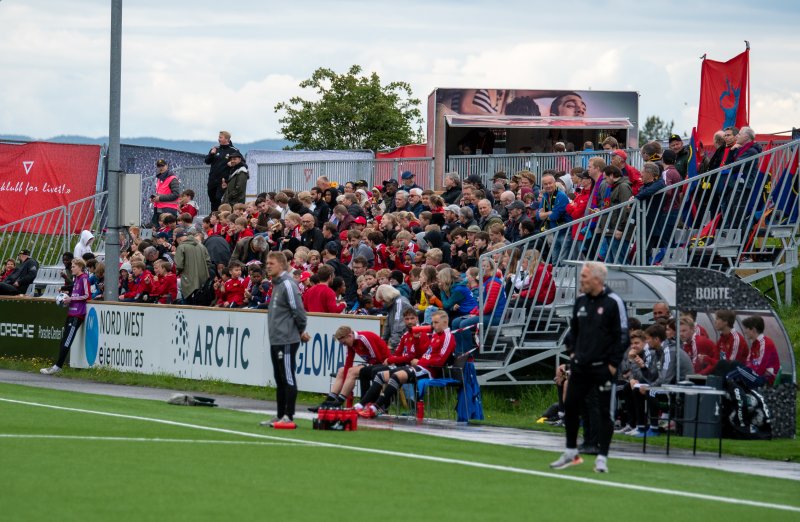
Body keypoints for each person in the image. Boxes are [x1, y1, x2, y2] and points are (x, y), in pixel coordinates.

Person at [550, 261, 628, 474]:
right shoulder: (581, 301)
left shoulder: (613, 302)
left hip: (603, 368)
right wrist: (574, 354)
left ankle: (602, 456)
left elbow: (622, 336)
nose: (581, 280)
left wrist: (612, 365)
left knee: (604, 412)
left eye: (584, 277)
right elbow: (572, 332)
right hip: (581, 367)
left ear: (597, 279)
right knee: (572, 407)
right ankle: (570, 450)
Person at [358, 310, 455, 418]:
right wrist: (417, 340)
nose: (433, 325)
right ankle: (360, 405)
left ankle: (375, 408)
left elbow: (440, 360)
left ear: (445, 322)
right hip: (419, 366)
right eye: (433, 323)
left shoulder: (448, 336)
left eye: (436, 323)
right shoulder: (435, 335)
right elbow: (424, 352)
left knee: (396, 376)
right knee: (380, 375)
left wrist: (420, 361)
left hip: (428, 370)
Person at [258, 252, 310, 429]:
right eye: (267, 263)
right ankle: (280, 414)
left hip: (286, 339)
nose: (268, 266)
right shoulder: (277, 285)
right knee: (279, 378)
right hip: (277, 339)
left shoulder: (288, 284)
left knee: (287, 376)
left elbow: (299, 312)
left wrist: (300, 330)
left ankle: (289, 415)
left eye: (271, 263)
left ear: (281, 264)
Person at [310, 326, 390, 411]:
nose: (344, 345)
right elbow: (348, 363)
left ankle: (339, 402)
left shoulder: (363, 338)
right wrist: (346, 385)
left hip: (384, 363)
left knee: (353, 371)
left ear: (350, 336)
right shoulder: (351, 343)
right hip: (374, 364)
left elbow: (377, 358)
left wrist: (364, 366)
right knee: (341, 370)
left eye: (344, 343)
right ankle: (329, 401)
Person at [40, 258, 91, 375]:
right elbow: (75, 292)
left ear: (79, 267)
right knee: (63, 340)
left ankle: (58, 367)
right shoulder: (77, 279)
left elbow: (87, 296)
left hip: (78, 314)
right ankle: (57, 365)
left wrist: (71, 298)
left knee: (67, 341)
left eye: (73, 266)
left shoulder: (84, 278)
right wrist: (67, 296)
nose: (71, 268)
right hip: (71, 312)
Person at [205, 130, 240, 212]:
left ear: (227, 139)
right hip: (212, 180)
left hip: (224, 181)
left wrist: (232, 163)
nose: (219, 139)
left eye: (221, 137)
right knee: (212, 199)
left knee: (219, 198)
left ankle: (222, 215)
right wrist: (212, 154)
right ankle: (214, 216)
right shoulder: (215, 149)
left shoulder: (233, 150)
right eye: (219, 137)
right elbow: (207, 161)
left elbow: (241, 162)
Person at [174, 230, 211, 304]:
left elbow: (179, 265)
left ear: (179, 239)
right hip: (203, 281)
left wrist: (176, 274)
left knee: (187, 306)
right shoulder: (202, 246)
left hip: (187, 281)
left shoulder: (181, 247)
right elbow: (208, 262)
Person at [742, 315, 780, 385]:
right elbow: (748, 361)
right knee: (736, 369)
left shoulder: (766, 343)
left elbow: (760, 367)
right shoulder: (755, 343)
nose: (745, 331)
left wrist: (746, 372)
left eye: (746, 328)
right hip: (757, 375)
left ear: (753, 330)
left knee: (738, 375)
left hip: (766, 379)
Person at [150, 159, 180, 228]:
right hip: (160, 208)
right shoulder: (159, 178)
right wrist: (154, 198)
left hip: (168, 210)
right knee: (158, 230)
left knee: (166, 230)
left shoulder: (172, 179)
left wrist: (159, 198)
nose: (161, 168)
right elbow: (161, 192)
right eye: (159, 166)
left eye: (162, 166)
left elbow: (176, 195)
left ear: (167, 166)